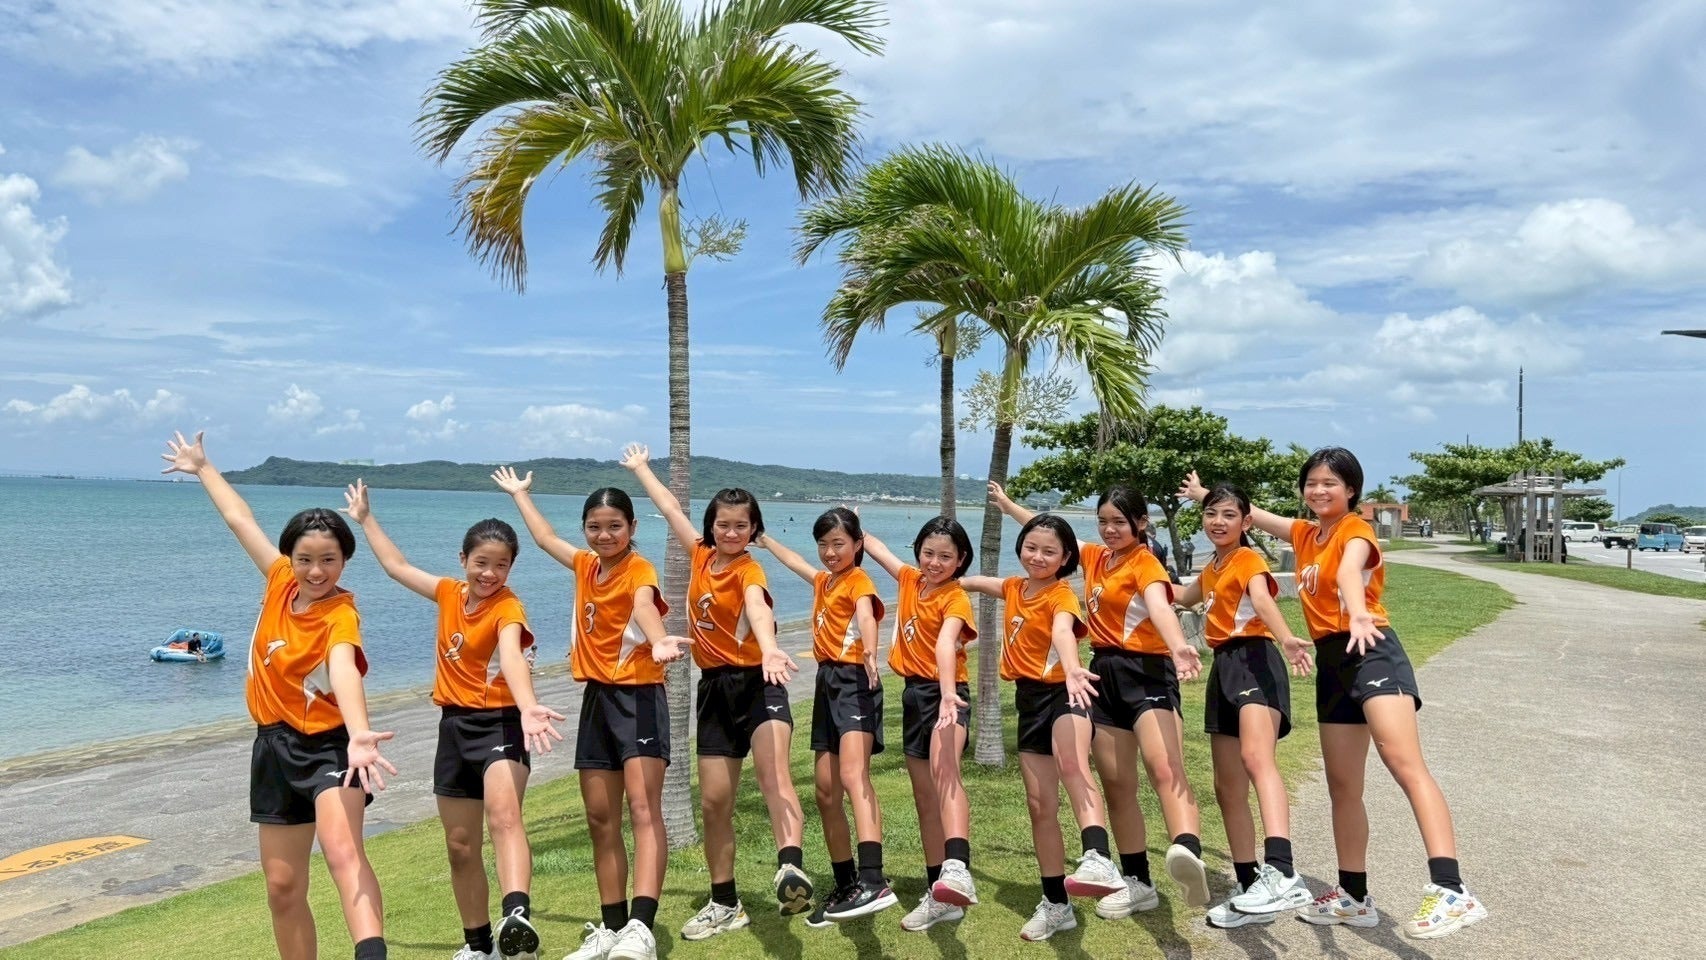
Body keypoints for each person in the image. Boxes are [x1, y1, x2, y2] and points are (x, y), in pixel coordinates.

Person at [1181, 450, 1488, 940]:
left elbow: (1348, 571)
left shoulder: (1355, 530)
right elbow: (1250, 514)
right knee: (1343, 786)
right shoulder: (1307, 534)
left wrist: (1358, 610)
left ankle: (1452, 888)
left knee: (1405, 764)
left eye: (1331, 483)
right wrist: (1204, 495)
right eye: (1312, 483)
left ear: (1351, 490)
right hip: (1332, 662)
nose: (1319, 490)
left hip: (1371, 649)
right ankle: (1354, 897)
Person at [160, 431, 394, 960]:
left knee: (342, 852)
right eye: (306, 558)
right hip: (272, 746)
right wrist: (203, 468)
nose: (317, 571)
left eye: (329, 559)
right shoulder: (280, 581)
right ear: (290, 557)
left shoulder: (340, 616)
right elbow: (240, 519)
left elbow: (344, 668)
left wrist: (360, 735)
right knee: (282, 887)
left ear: (344, 560)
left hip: (332, 747)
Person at [345, 480, 563, 960]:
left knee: (505, 818)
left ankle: (517, 916)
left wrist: (528, 705)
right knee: (460, 846)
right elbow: (397, 567)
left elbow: (511, 655)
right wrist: (365, 519)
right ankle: (479, 946)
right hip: (454, 728)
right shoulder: (448, 593)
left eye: (501, 565)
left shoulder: (508, 607)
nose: (490, 573)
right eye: (482, 562)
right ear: (463, 559)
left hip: (503, 723)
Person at [490, 470, 692, 960]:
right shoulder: (585, 566)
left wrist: (657, 639)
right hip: (598, 701)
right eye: (595, 527)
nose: (604, 535)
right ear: (585, 528)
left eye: (615, 526)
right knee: (601, 819)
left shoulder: (639, 569)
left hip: (639, 700)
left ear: (632, 527)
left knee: (643, 811)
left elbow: (643, 605)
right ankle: (612, 927)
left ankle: (641, 928)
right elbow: (544, 538)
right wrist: (521, 495)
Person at [619, 444, 813, 940]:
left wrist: (770, 650)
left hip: (760, 684)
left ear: (754, 529)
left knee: (775, 777)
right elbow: (669, 508)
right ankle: (725, 902)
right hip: (714, 691)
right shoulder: (701, 555)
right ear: (711, 526)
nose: (731, 533)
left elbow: (758, 608)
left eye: (741, 526)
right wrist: (642, 469)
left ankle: (790, 868)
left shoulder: (750, 570)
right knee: (714, 803)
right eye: (723, 524)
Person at [988, 482, 1210, 917]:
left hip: (1147, 672)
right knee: (1117, 784)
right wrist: (1009, 505)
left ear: (1140, 523)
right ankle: (1137, 880)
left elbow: (1160, 606)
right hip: (1103, 674)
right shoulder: (1095, 557)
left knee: (1165, 767)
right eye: (1103, 521)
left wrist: (1178, 644)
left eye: (1119, 522)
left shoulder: (1146, 563)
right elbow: (1050, 534)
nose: (1110, 530)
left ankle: (1187, 851)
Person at [961, 514, 1123, 942]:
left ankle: (1098, 857)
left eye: (1050, 551)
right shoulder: (1016, 588)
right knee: (1039, 805)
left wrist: (1071, 669)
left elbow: (1064, 632)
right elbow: (984, 583)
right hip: (1029, 699)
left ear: (1066, 557)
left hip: (1067, 693)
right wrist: (948, 580)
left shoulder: (1062, 595)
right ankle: (1056, 904)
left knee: (1074, 767)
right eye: (1031, 547)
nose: (1038, 557)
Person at [1172, 483, 1315, 928]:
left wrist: (1285, 637)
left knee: (1257, 759)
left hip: (1256, 660)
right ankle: (1249, 882)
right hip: (1224, 669)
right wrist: (1142, 581)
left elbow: (1263, 600)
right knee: (1227, 786)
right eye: (1211, 513)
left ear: (1246, 522)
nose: (1218, 522)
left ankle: (1282, 870)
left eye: (1229, 515)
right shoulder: (1212, 567)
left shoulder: (1248, 560)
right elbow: (1182, 597)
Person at [758, 509, 894, 924]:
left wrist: (870, 650)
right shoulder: (825, 581)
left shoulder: (859, 581)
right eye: (824, 544)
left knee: (854, 777)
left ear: (857, 545)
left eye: (839, 544)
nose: (830, 552)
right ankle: (847, 883)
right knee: (825, 791)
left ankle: (873, 880)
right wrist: (764, 540)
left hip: (855, 681)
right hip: (827, 682)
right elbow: (796, 562)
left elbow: (866, 615)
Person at [859, 517, 979, 932]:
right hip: (914, 694)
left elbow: (946, 643)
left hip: (948, 695)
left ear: (961, 559)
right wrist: (859, 531)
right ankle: (939, 892)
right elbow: (879, 551)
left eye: (946, 556)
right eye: (929, 553)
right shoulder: (911, 580)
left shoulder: (956, 598)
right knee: (925, 798)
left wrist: (946, 693)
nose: (935, 562)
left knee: (946, 778)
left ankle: (957, 867)